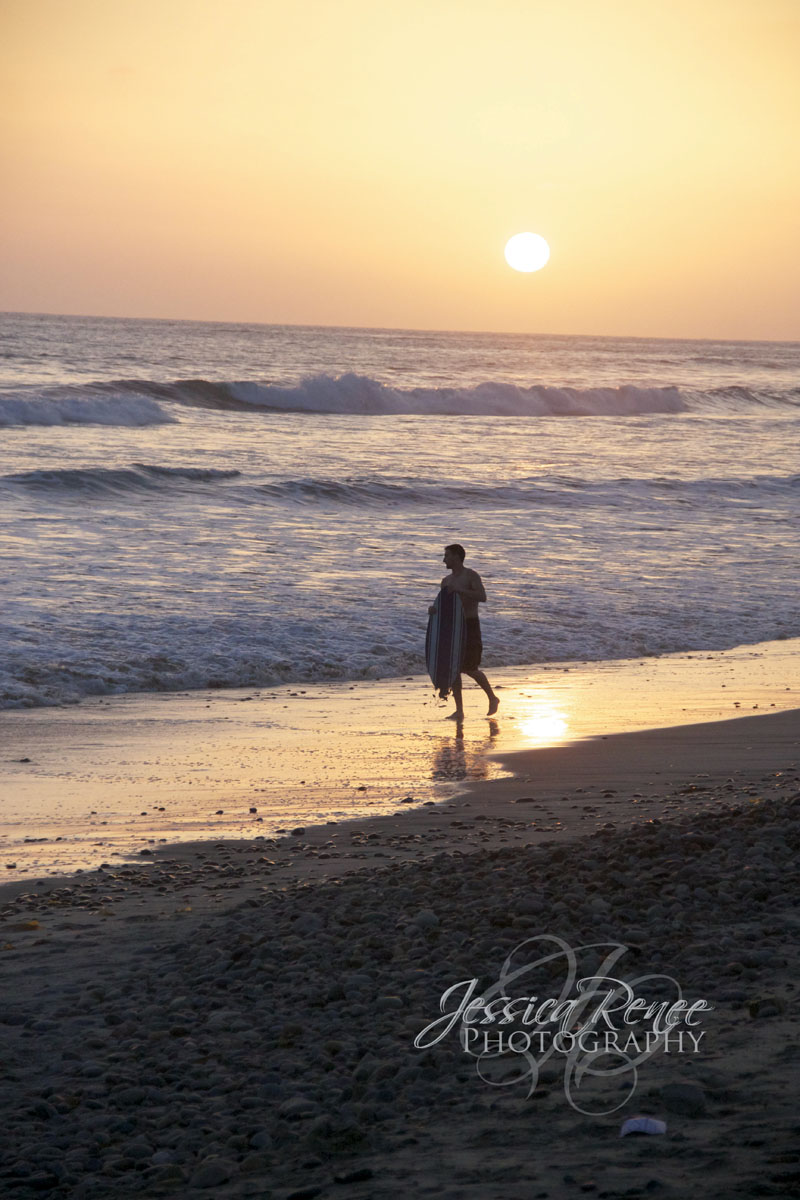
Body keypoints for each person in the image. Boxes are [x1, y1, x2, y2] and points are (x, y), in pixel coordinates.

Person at [430, 543, 499, 720]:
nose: (444, 559)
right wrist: (434, 611)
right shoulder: (446, 581)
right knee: (454, 669)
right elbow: (445, 607)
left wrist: (460, 590)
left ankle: (492, 698)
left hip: (470, 625)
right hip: (453, 628)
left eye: (447, 556)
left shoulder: (471, 576)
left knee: (471, 668)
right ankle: (459, 710)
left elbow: (482, 597)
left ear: (457, 557)